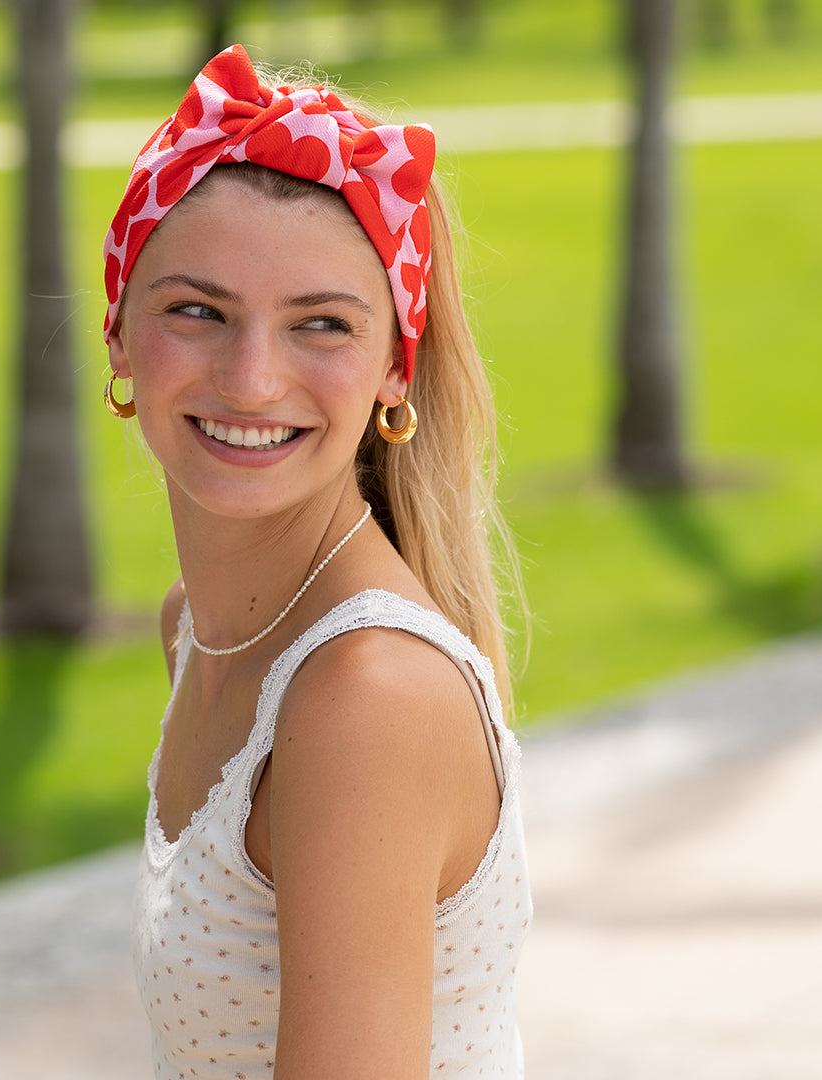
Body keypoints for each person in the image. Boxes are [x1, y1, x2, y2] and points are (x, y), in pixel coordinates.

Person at [102, 44, 531, 1079]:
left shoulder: (364, 699)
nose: (251, 379)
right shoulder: (200, 625)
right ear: (118, 333)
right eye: (197, 310)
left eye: (320, 325)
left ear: (394, 367)